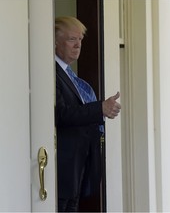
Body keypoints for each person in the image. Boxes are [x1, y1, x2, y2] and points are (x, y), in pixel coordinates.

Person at [55, 16, 121, 212]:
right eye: (71, 39)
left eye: (80, 39)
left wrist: (102, 111)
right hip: (63, 170)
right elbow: (60, 114)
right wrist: (99, 109)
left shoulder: (68, 73)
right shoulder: (50, 72)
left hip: (78, 166)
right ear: (55, 42)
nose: (78, 45)